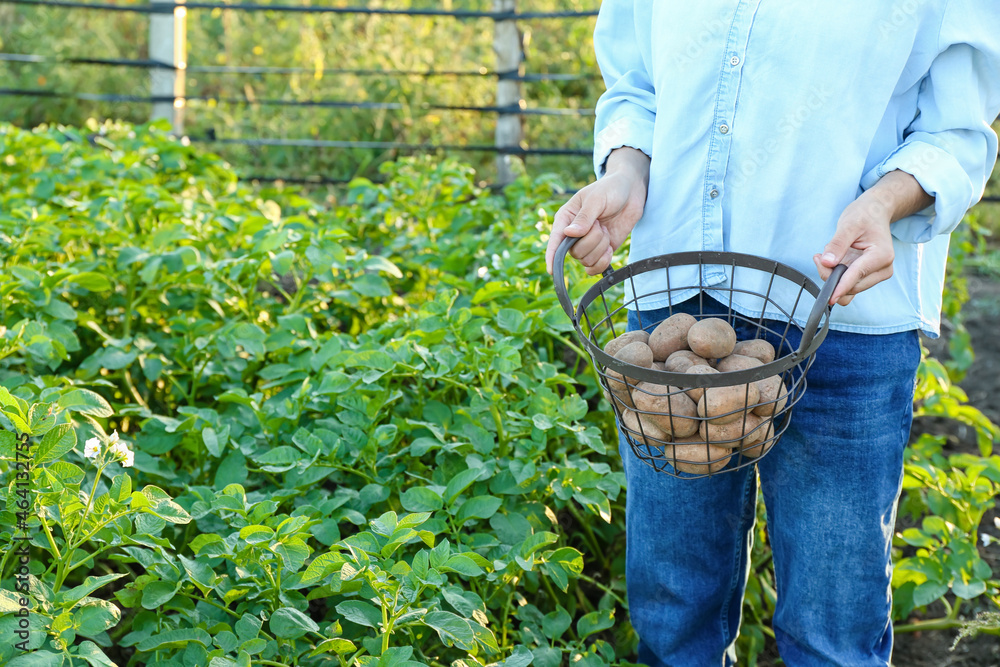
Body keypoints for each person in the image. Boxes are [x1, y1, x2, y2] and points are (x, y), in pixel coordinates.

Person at [544, 3, 1000, 666]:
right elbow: (637, 86)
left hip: (840, 312)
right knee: (675, 618)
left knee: (831, 635)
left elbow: (957, 132)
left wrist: (881, 203)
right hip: (673, 307)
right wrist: (625, 174)